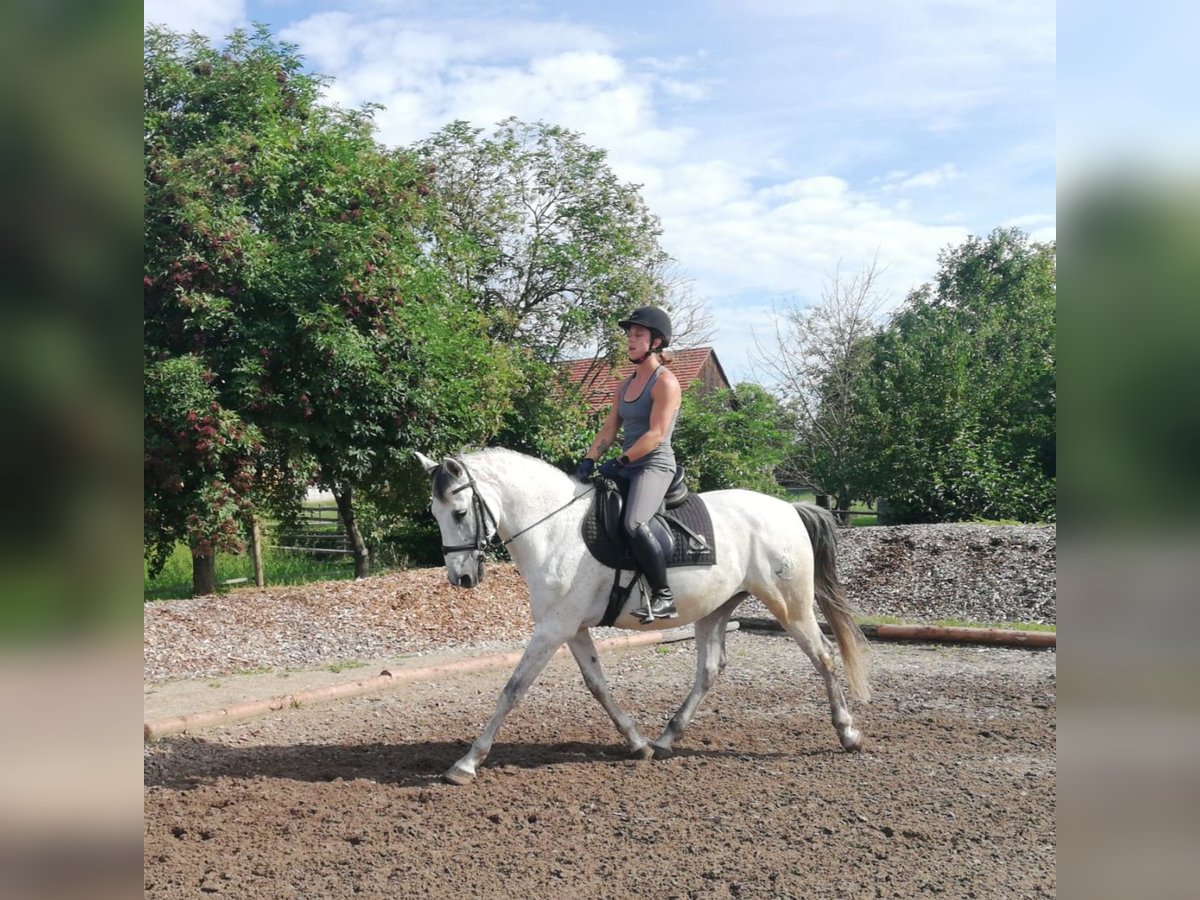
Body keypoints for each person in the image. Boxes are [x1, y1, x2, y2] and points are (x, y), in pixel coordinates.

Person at [575, 306, 682, 621]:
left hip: (654, 464)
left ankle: (664, 595)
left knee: (634, 523)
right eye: (629, 335)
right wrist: (589, 459)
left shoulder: (666, 382)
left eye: (638, 335)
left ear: (656, 342)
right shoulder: (625, 385)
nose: (630, 341)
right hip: (627, 464)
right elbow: (610, 429)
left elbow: (656, 434)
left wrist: (620, 460)